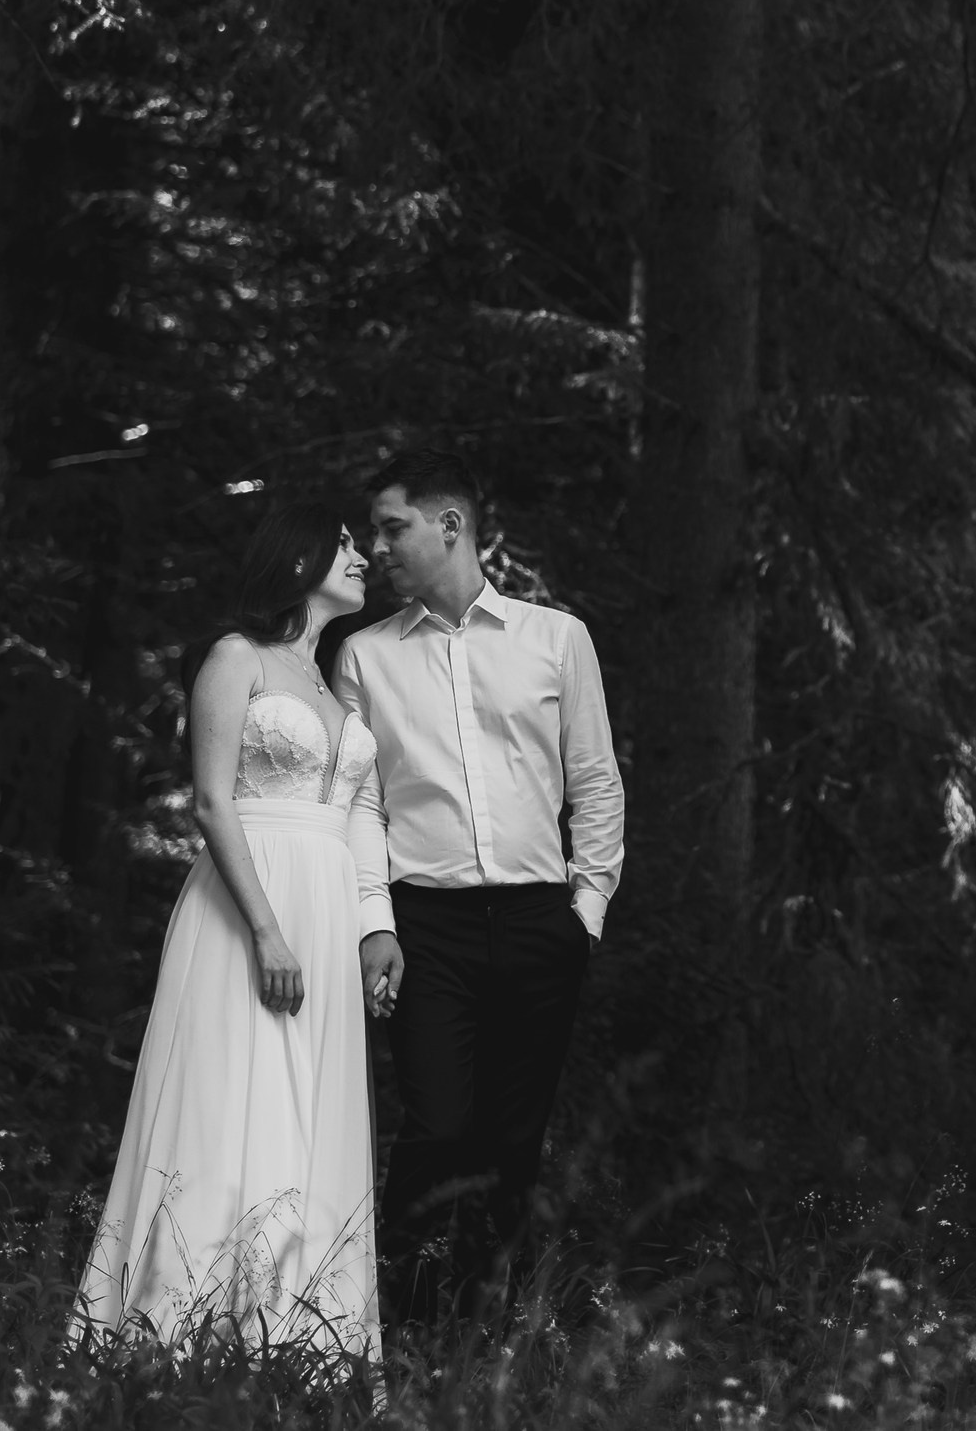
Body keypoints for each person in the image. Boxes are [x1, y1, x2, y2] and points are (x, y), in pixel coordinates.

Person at [74, 505, 385, 1371]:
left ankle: (297, 1339)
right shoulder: (234, 656)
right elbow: (212, 801)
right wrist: (267, 931)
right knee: (225, 1101)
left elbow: (359, 811)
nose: (364, 556)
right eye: (348, 544)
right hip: (249, 903)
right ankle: (176, 1338)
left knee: (310, 1108)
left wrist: (369, 927)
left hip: (323, 906)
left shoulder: (333, 681)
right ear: (298, 559)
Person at [337, 448, 625, 1331]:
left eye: (392, 527)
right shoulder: (364, 656)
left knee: (511, 1142)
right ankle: (406, 1331)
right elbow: (362, 802)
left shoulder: (557, 637)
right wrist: (375, 921)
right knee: (435, 1129)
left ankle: (485, 1333)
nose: (376, 547)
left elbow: (596, 779)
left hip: (543, 922)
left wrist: (586, 910)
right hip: (427, 927)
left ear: (449, 525)